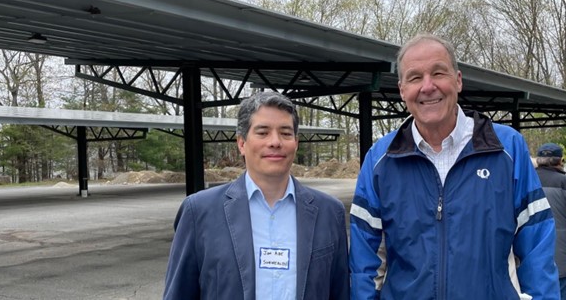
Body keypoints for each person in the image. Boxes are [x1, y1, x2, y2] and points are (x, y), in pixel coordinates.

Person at [349, 33, 559, 299]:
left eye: (438, 73)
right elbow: (364, 261)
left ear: (458, 80)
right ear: (402, 90)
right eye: (415, 77)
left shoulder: (507, 148)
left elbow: (537, 244)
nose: (428, 86)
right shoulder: (380, 159)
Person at [163, 91, 350, 300]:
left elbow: (340, 291)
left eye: (286, 133)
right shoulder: (199, 211)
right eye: (263, 132)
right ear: (242, 143)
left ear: (296, 143)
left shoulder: (329, 212)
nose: (275, 142)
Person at [536, 143, 566, 299]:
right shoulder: (563, 181)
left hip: (531, 250)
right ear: (559, 160)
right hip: (561, 252)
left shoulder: (527, 179)